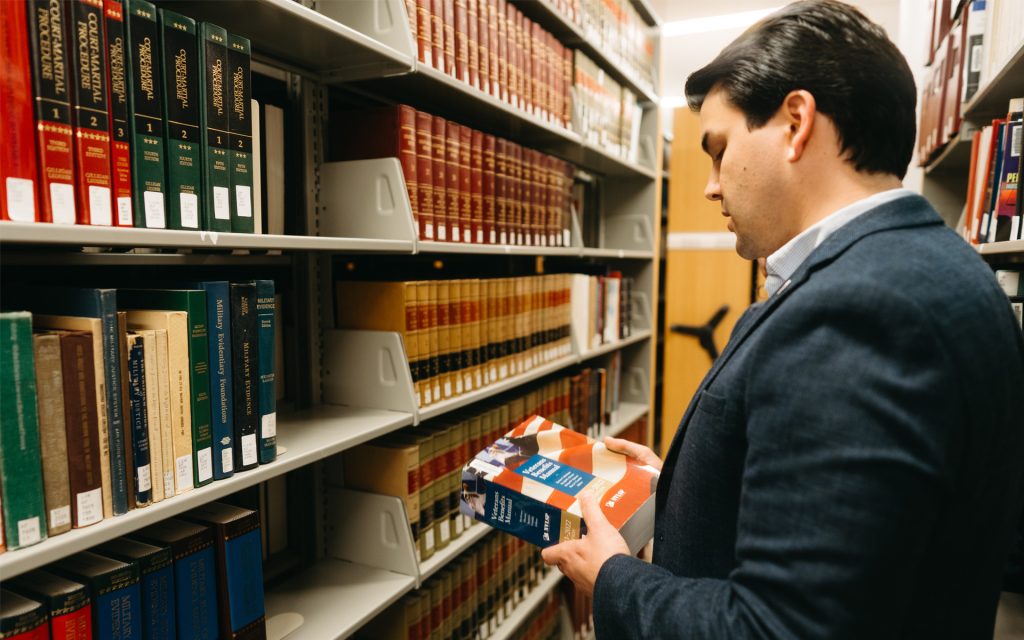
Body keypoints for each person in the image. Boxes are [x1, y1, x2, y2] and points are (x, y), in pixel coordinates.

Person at [540, 1, 1024, 637]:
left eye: (718, 151)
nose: (711, 186)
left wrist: (613, 577)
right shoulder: (941, 267)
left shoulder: (861, 310)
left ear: (796, 122)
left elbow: (778, 629)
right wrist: (692, 485)